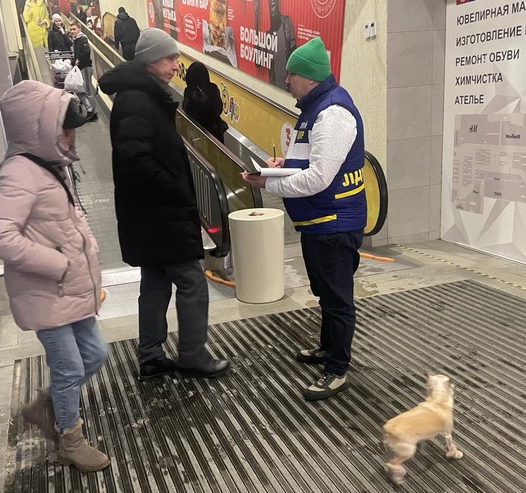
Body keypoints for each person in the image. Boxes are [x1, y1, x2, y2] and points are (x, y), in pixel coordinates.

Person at [0, 80, 110, 472]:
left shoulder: (51, 165)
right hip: (45, 291)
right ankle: (70, 441)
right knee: (70, 366)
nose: (71, 136)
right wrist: (57, 264)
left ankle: (45, 406)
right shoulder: (20, 172)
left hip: (69, 288)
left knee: (95, 354)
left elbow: (72, 221)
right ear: (38, 128)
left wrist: (90, 268)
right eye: (64, 127)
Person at [98, 28, 230, 381]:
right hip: (159, 214)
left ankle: (151, 356)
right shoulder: (137, 101)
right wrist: (177, 191)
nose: (176, 65)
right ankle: (192, 356)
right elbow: (135, 159)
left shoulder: (139, 95)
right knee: (191, 282)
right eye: (171, 58)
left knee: (155, 283)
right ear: (153, 60)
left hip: (148, 215)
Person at [242, 37, 366, 401]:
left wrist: (270, 184)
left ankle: (337, 370)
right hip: (320, 222)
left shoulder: (333, 114)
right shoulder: (314, 108)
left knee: (338, 299)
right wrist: (284, 166)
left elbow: (319, 178)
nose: (286, 81)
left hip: (335, 222)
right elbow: (310, 162)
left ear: (309, 78)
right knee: (325, 293)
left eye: (291, 75)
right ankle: (328, 350)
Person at [182, 62, 227, 143]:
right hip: (216, 133)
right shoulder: (213, 88)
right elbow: (219, 109)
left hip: (198, 135)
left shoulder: (190, 91)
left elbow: (186, 111)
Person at [69, 21, 97, 120]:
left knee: (87, 90)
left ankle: (92, 111)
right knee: (80, 90)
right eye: (71, 29)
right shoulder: (76, 40)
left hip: (85, 67)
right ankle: (90, 109)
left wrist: (78, 59)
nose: (72, 31)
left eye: (74, 29)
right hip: (81, 67)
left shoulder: (82, 39)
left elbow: (87, 51)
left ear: (79, 29)